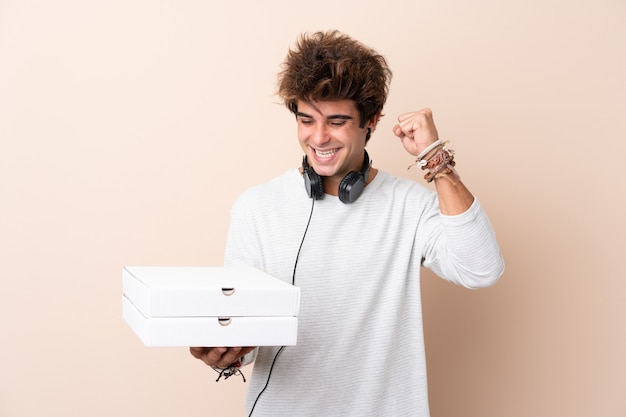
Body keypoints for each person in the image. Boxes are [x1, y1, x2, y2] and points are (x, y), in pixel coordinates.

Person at [190, 30, 504, 417]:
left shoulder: (410, 206)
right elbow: (249, 337)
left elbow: (481, 269)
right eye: (306, 120)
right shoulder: (256, 207)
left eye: (337, 122)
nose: (318, 137)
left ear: (370, 120)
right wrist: (226, 353)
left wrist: (435, 159)